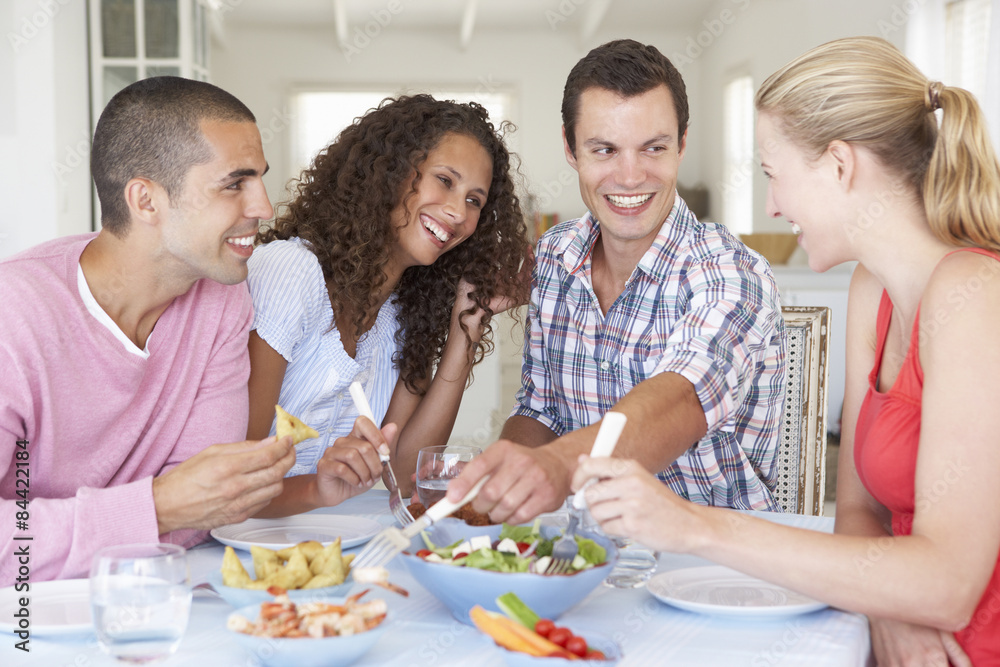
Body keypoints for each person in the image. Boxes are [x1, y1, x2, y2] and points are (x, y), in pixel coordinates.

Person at [573, 36, 1000, 665]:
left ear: (838, 164)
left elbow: (948, 586)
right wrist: (886, 603)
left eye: (774, 175)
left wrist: (692, 524)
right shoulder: (871, 289)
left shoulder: (976, 295)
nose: (772, 205)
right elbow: (857, 511)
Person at [448, 39, 786, 524]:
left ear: (681, 145)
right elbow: (540, 412)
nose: (630, 177)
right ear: (570, 148)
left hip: (716, 560)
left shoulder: (730, 271)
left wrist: (556, 466)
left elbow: (679, 401)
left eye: (653, 148)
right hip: (583, 550)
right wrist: (506, 483)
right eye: (604, 149)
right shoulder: (554, 258)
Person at [0, 77, 297, 586]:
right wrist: (158, 507)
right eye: (235, 183)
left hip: (144, 599)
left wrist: (170, 510)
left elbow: (204, 512)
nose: (265, 208)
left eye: (260, 180)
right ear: (146, 200)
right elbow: (180, 508)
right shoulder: (15, 315)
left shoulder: (222, 300)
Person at [245, 95, 531, 517]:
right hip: (237, 554)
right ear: (391, 173)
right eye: (444, 180)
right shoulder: (291, 273)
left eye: (475, 200)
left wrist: (470, 319)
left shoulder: (406, 312)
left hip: (338, 554)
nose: (456, 212)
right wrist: (317, 490)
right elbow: (237, 473)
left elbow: (402, 470)